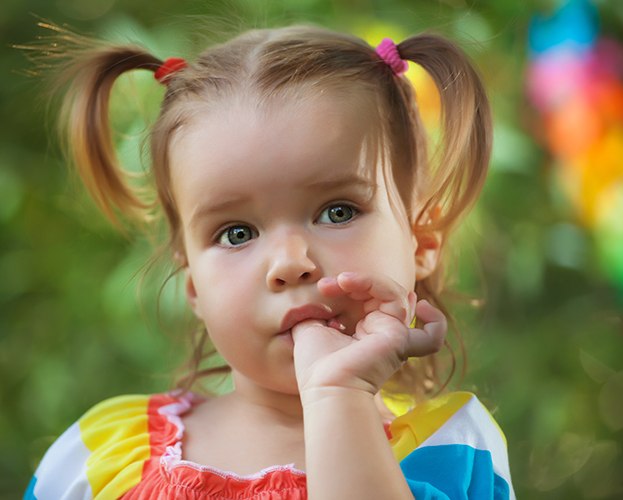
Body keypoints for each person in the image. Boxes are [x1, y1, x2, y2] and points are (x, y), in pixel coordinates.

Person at [24, 22, 515, 499]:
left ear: (422, 243)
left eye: (337, 211)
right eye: (236, 233)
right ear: (193, 283)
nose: (289, 263)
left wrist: (338, 395)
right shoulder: (97, 458)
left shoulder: (452, 450)